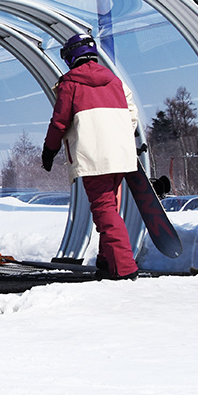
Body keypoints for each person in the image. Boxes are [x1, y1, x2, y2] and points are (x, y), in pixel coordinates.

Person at [42, 33, 140, 281]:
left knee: (105, 211)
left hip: (94, 157)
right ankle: (107, 262)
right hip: (120, 155)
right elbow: (131, 112)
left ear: (70, 57)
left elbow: (60, 122)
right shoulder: (115, 81)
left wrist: (49, 150)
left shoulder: (70, 84)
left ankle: (125, 268)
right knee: (109, 209)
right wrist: (121, 138)